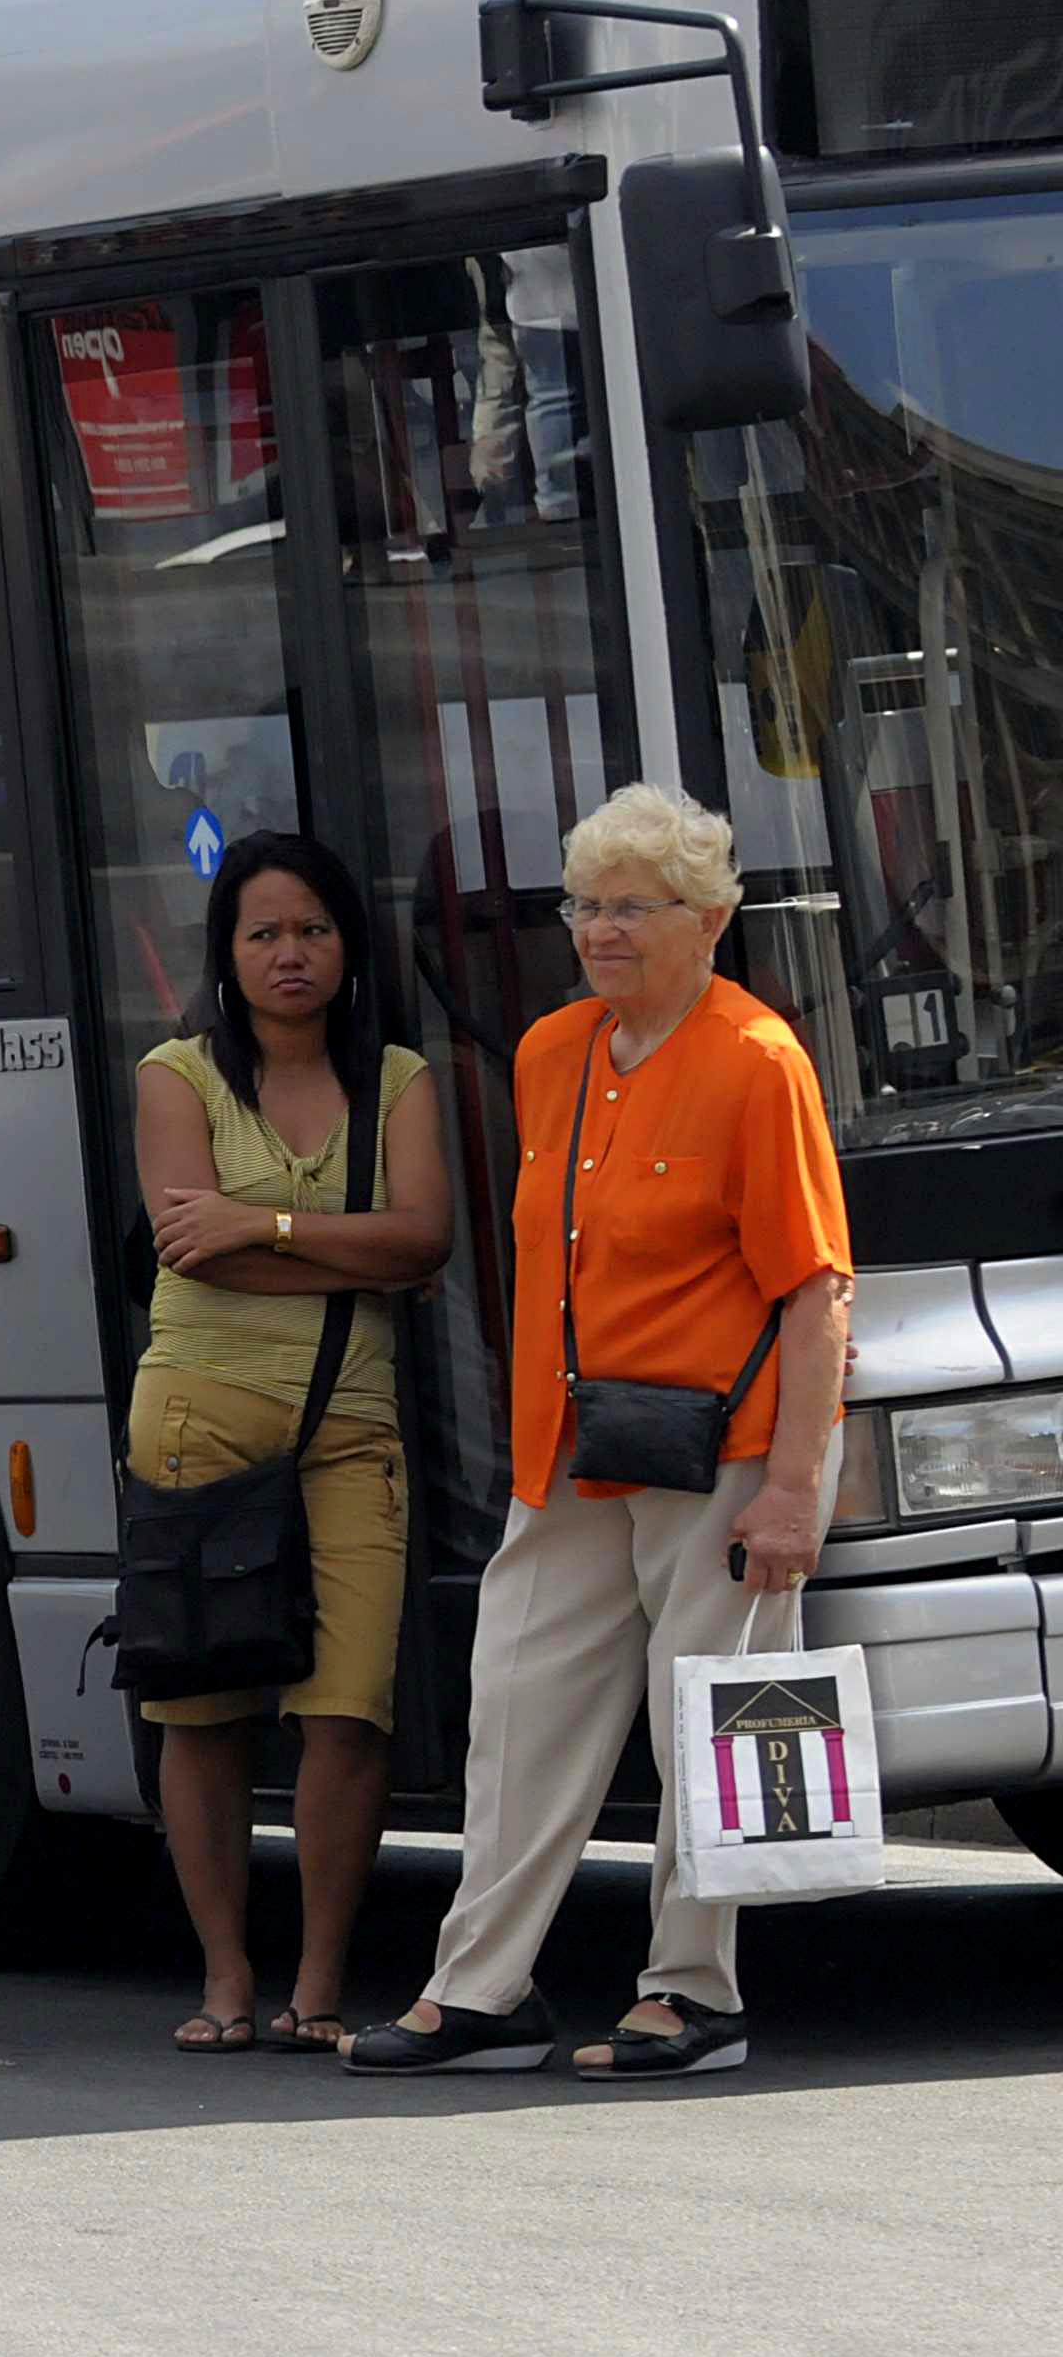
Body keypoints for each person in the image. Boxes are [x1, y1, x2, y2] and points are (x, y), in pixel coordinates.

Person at [350, 786, 851, 2083]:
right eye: (584, 905)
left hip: (726, 1448)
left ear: (710, 921)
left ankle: (693, 1995)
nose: (599, 931)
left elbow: (815, 1290)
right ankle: (481, 1992)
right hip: (568, 1442)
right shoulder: (553, 1052)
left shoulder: (758, 1060)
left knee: (714, 1716)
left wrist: (793, 1490)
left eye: (634, 907)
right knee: (514, 1707)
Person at [130, 833, 451, 2054]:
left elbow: (427, 1242)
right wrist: (348, 1244)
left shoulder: (402, 1082)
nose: (289, 954)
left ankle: (316, 1987)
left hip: (348, 1420)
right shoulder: (176, 1074)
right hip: (197, 1411)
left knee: (347, 1707)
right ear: (225, 954)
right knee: (203, 1710)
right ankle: (224, 1979)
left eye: (311, 929)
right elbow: (185, 1246)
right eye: (262, 933)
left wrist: (258, 1220)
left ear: (347, 947)